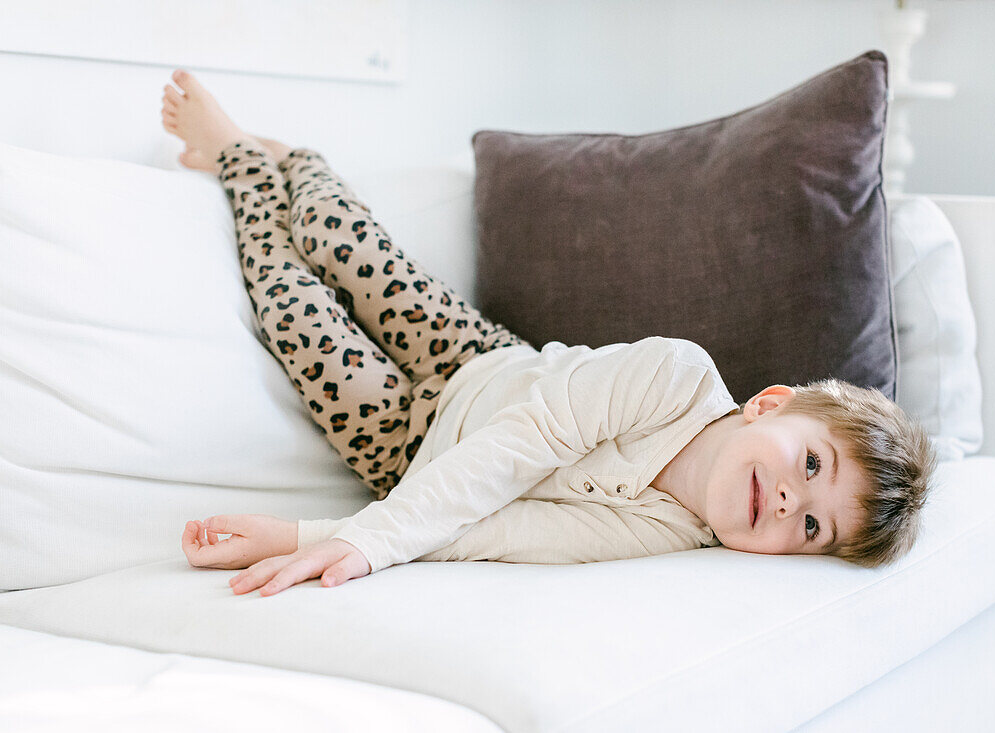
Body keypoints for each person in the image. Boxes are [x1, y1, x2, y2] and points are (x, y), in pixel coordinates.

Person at [162, 70, 934, 598]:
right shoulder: (676, 374)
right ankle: (289, 161)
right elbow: (523, 440)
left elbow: (503, 528)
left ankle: (242, 165)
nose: (790, 499)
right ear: (769, 404)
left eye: (810, 526)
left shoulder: (663, 536)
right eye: (810, 462)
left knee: (295, 305)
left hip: (403, 447)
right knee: (348, 244)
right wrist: (371, 543)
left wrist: (308, 534)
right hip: (479, 355)